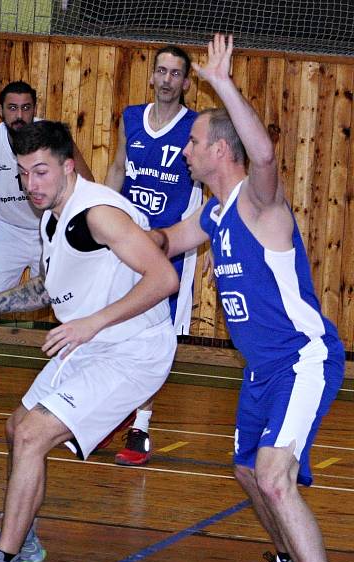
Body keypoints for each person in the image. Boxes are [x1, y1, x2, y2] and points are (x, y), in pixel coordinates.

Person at [0, 120, 178, 562]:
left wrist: (92, 323)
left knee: (35, 435)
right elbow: (47, 287)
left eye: (40, 172)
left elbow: (163, 278)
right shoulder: (52, 217)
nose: (30, 185)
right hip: (90, 342)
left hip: (131, 350)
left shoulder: (97, 213)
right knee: (17, 428)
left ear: (66, 166)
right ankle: (27, 540)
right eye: (22, 174)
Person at [150, 35, 343, 562]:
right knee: (246, 470)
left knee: (275, 478)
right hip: (261, 370)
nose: (184, 150)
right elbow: (161, 242)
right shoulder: (212, 215)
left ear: (219, 151)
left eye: (193, 141)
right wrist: (97, 227)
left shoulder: (260, 204)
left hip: (301, 359)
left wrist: (221, 84)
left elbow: (262, 156)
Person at [0, 81, 94, 410]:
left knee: (67, 305)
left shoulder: (53, 139)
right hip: (6, 229)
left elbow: (87, 181)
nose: (19, 115)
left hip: (47, 226)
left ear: (35, 108)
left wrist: (75, 227)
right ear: (1, 110)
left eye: (26, 107)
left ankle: (72, 382)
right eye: (12, 108)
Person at [103, 45, 204, 466]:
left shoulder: (197, 127)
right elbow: (118, 166)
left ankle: (140, 427)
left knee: (155, 337)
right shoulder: (131, 117)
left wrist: (200, 238)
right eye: (160, 71)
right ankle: (107, 411)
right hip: (128, 240)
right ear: (152, 76)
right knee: (117, 327)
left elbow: (212, 186)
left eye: (174, 73)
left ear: (185, 81)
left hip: (171, 247)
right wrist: (102, 215)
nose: (166, 79)